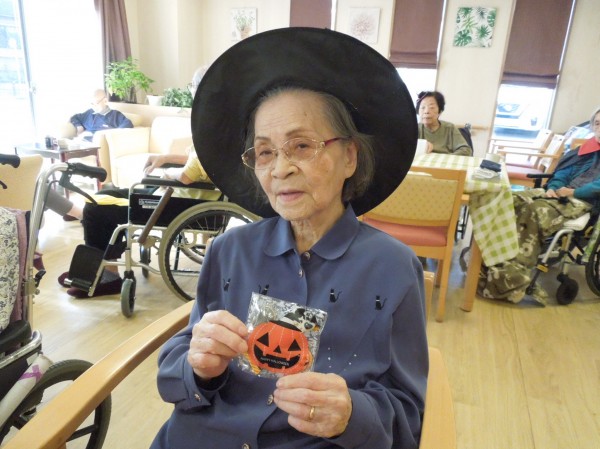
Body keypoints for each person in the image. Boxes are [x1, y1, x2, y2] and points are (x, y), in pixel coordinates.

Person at [149, 28, 428, 449]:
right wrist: (199, 367)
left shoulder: (393, 268)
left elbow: (409, 412)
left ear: (349, 157)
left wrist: (352, 414)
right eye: (265, 152)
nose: (280, 169)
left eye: (301, 146)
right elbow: (179, 364)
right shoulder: (229, 251)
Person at [57, 147, 219, 297]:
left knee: (95, 208)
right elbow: (197, 162)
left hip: (173, 204)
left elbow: (186, 177)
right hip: (173, 196)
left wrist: (169, 172)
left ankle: (108, 276)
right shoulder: (220, 139)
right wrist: (165, 158)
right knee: (103, 195)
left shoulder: (212, 139)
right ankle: (101, 269)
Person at [478, 107, 600, 304]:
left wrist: (573, 192)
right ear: (592, 127)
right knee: (509, 200)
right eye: (597, 123)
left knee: (534, 211)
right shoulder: (583, 150)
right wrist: (553, 187)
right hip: (560, 194)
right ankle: (488, 265)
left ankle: (512, 282)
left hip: (584, 202)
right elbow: (561, 174)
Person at [416, 90, 472, 156]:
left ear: (440, 111)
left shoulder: (450, 128)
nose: (426, 111)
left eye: (431, 107)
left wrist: (445, 157)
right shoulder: (414, 129)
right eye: (422, 107)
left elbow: (466, 150)